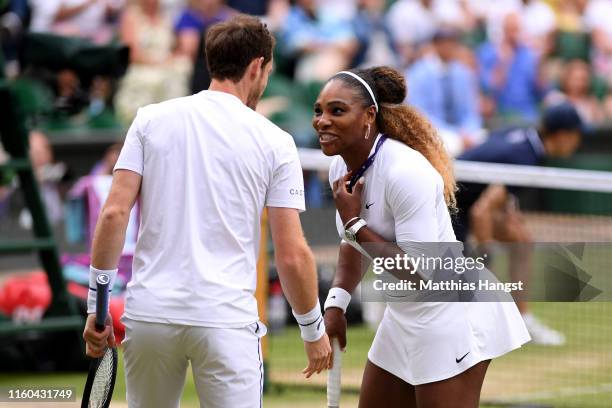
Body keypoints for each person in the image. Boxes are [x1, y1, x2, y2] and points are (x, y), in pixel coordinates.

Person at [83, 15, 331, 408]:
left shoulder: (149, 119)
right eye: (267, 71)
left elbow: (114, 214)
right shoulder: (276, 141)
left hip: (150, 317)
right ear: (256, 68)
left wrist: (96, 308)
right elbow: (291, 252)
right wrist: (313, 330)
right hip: (225, 322)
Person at [315, 66, 530, 408]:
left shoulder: (406, 172)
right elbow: (351, 245)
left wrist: (355, 222)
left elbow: (420, 271)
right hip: (403, 316)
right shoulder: (340, 169)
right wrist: (336, 304)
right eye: (319, 111)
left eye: (336, 110)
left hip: (453, 314)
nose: (322, 121)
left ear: (369, 116)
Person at [454, 102, 584, 346]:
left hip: (465, 199)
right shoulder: (526, 157)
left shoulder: (523, 137)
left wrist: (508, 211)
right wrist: (485, 254)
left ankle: (522, 319)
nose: (578, 143)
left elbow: (492, 185)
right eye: (577, 135)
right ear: (563, 135)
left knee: (522, 241)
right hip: (449, 205)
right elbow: (482, 212)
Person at [406, 28, 483, 153]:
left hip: (463, 133)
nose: (450, 48)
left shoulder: (463, 73)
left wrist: (467, 130)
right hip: (433, 131)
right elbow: (419, 112)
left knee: (484, 142)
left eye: (453, 44)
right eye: (446, 43)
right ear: (436, 46)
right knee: (450, 145)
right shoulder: (419, 73)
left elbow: (471, 111)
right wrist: (455, 133)